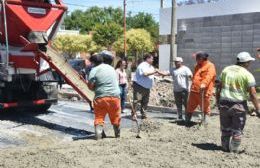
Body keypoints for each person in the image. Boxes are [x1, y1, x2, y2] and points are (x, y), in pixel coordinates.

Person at [216, 52, 260, 153]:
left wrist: (218, 101)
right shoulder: (247, 74)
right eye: (249, 62)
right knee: (237, 130)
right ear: (246, 63)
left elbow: (218, 87)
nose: (249, 64)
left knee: (225, 129)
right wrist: (258, 108)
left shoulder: (226, 70)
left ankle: (225, 148)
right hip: (238, 105)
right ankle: (233, 151)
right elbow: (253, 94)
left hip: (224, 103)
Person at [87, 54, 121, 140]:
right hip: (115, 97)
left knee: (99, 117)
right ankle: (117, 134)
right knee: (115, 116)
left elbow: (90, 85)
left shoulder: (94, 70)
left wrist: (94, 87)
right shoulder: (111, 68)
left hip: (101, 97)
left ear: (93, 62)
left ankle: (99, 136)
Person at [185, 51, 216, 125]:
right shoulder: (197, 66)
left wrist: (204, 84)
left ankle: (205, 123)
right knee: (189, 107)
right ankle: (187, 122)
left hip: (203, 92)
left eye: (196, 58)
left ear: (201, 58)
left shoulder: (210, 66)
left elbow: (209, 76)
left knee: (205, 108)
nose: (195, 59)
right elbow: (195, 76)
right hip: (194, 90)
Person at [132, 53, 164, 119]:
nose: (153, 60)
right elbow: (145, 74)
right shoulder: (142, 65)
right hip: (139, 86)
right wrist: (154, 71)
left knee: (145, 101)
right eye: (152, 59)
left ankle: (143, 114)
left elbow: (153, 74)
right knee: (136, 101)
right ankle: (133, 114)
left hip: (147, 87)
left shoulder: (151, 67)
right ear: (147, 59)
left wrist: (160, 74)